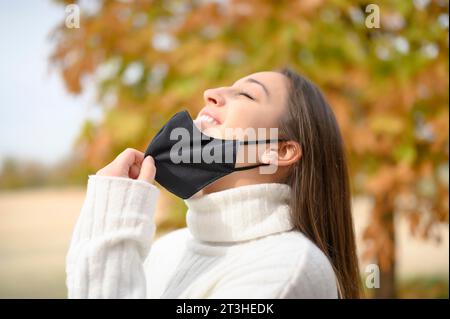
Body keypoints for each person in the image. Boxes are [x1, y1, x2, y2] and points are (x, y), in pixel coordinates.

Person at [66, 67, 361, 299]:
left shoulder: (292, 267)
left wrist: (116, 225)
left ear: (280, 151)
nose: (210, 93)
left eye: (246, 95)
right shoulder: (168, 248)